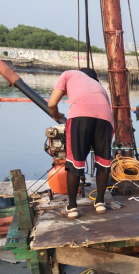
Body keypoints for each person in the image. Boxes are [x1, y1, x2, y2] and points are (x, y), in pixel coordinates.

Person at [48, 68, 114, 219]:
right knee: (103, 162)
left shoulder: (68, 74)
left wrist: (57, 115)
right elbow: (106, 110)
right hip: (105, 120)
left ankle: (72, 207)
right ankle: (100, 203)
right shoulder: (100, 88)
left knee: (75, 162)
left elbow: (52, 104)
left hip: (79, 117)